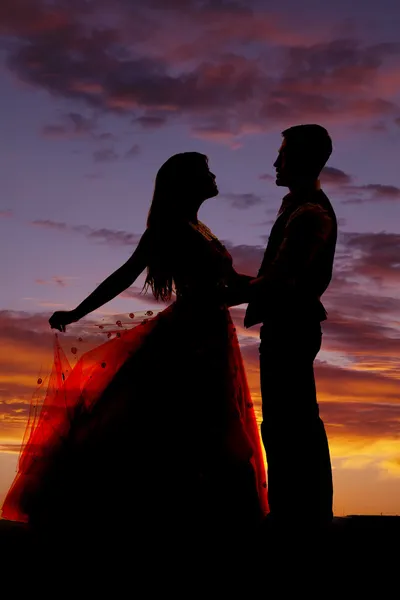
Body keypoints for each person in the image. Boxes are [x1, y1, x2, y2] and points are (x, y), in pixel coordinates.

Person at [2, 152, 268, 564]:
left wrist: (272, 285)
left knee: (201, 433)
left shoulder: (201, 230)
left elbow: (231, 282)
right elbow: (125, 275)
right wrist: (76, 312)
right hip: (189, 340)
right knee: (184, 431)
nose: (214, 176)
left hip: (212, 337)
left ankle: (203, 533)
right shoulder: (169, 228)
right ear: (186, 182)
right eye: (206, 170)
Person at [245, 125, 337, 530]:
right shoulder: (298, 207)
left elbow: (282, 276)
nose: (275, 162)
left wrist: (225, 292)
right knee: (290, 420)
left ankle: (299, 516)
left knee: (289, 423)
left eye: (282, 154)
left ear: (301, 159)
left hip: (291, 327)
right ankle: (301, 512)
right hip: (289, 325)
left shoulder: (310, 212)